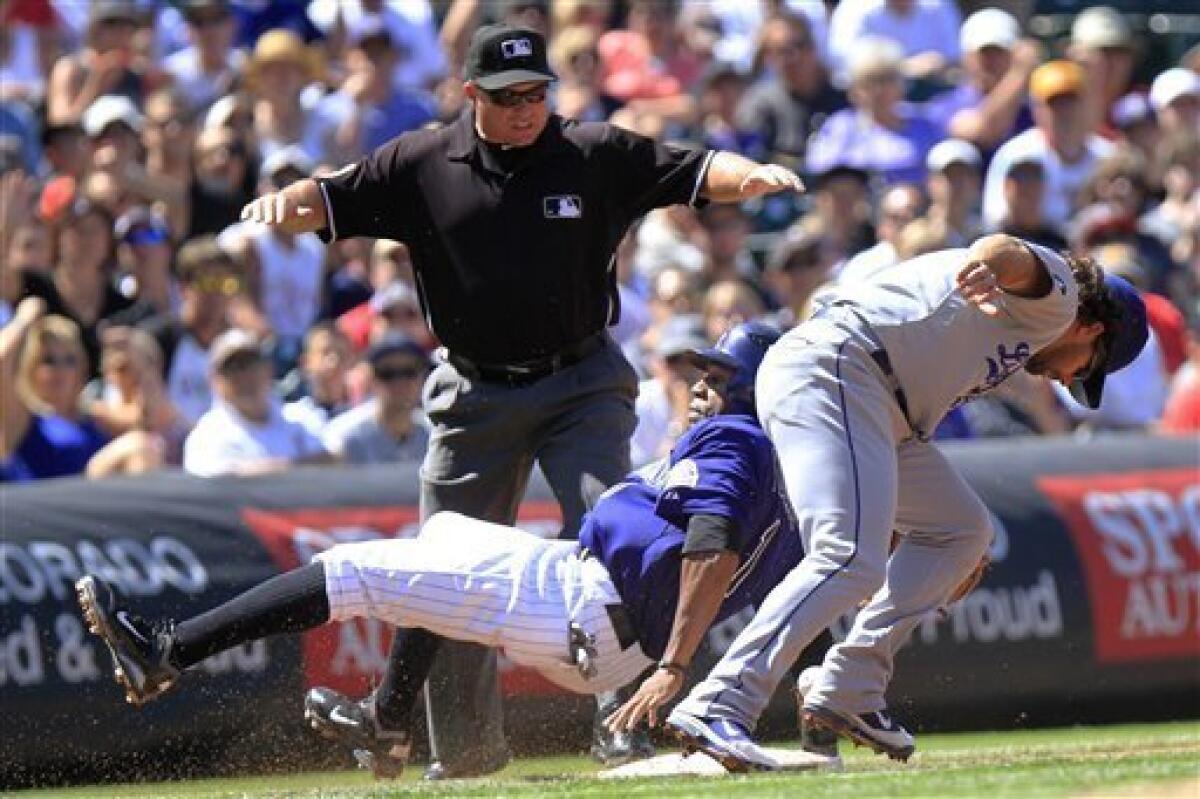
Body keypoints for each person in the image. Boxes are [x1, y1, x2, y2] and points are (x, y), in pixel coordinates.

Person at [238, 22, 805, 777]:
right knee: (444, 558)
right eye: (508, 96)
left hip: (583, 380)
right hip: (474, 389)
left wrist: (754, 173)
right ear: (472, 93)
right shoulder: (423, 160)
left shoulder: (592, 152)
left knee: (616, 522)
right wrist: (283, 205)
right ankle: (464, 749)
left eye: (536, 92)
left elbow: (696, 169)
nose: (525, 108)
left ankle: (622, 722)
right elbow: (335, 195)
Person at [75, 322, 834, 776]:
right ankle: (388, 716)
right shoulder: (798, 478)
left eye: (723, 375)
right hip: (591, 604)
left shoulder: (737, 439)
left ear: (762, 391)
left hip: (586, 610)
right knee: (445, 536)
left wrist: (674, 665)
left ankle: (168, 650)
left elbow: (711, 543)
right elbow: (814, 575)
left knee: (357, 571)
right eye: (705, 370)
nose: (703, 384)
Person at [664, 234, 1150, 770]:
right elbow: (1007, 249)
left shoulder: (1012, 329)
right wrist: (985, 264)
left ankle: (849, 685)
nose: (1065, 380)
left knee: (962, 532)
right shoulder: (1058, 303)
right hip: (841, 371)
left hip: (876, 402)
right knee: (847, 557)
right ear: (1093, 329)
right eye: (1083, 370)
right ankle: (720, 702)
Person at [181, 328, 331, 477]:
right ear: (215, 382)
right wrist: (295, 466)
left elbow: (331, 463)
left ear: (268, 369)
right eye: (232, 369)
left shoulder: (301, 418)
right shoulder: (208, 434)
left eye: (250, 364)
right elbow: (217, 482)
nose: (244, 376)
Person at [321, 332, 430, 466]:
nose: (399, 382)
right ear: (370, 378)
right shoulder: (343, 435)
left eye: (409, 372)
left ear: (423, 377)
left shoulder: (434, 433)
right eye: (387, 373)